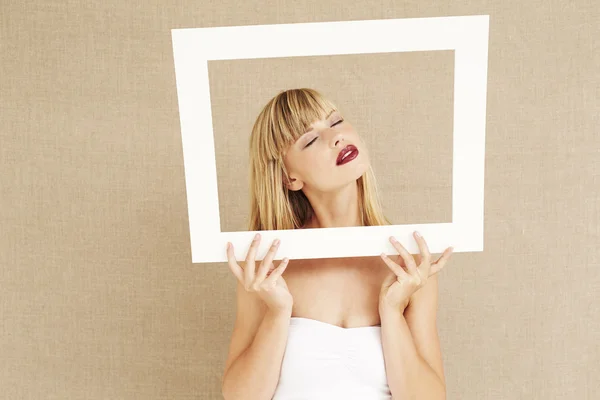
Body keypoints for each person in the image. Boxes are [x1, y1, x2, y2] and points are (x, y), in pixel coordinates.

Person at [221, 88, 454, 400]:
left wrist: (392, 310)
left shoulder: (409, 265)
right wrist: (278, 313)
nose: (335, 137)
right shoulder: (268, 267)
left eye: (336, 121)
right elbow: (241, 397)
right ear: (290, 178)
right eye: (310, 139)